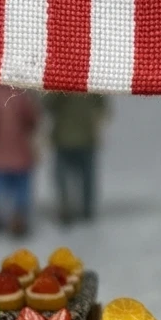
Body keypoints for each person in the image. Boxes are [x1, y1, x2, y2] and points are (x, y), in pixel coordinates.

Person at [0, 87, 40, 235]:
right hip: (20, 153)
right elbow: (32, 121)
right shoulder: (23, 97)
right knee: (21, 189)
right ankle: (19, 217)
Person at [42, 92, 109, 223]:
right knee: (83, 176)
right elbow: (102, 108)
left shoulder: (63, 85)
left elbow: (48, 105)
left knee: (70, 176)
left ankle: (71, 208)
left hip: (70, 137)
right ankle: (80, 208)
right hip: (76, 137)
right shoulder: (87, 84)